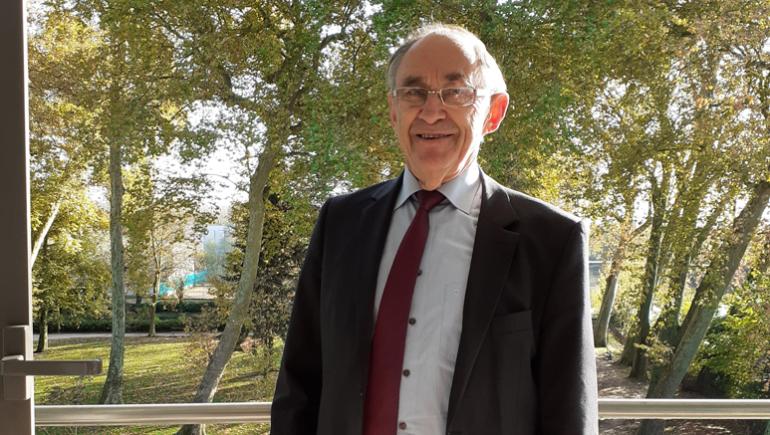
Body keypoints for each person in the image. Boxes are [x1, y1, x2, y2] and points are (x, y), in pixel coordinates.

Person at [271, 23, 598, 435]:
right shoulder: (340, 224)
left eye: (456, 92)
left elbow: (569, 413)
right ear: (393, 110)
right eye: (413, 92)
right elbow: (299, 388)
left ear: (494, 112)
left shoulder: (551, 241)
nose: (430, 111)